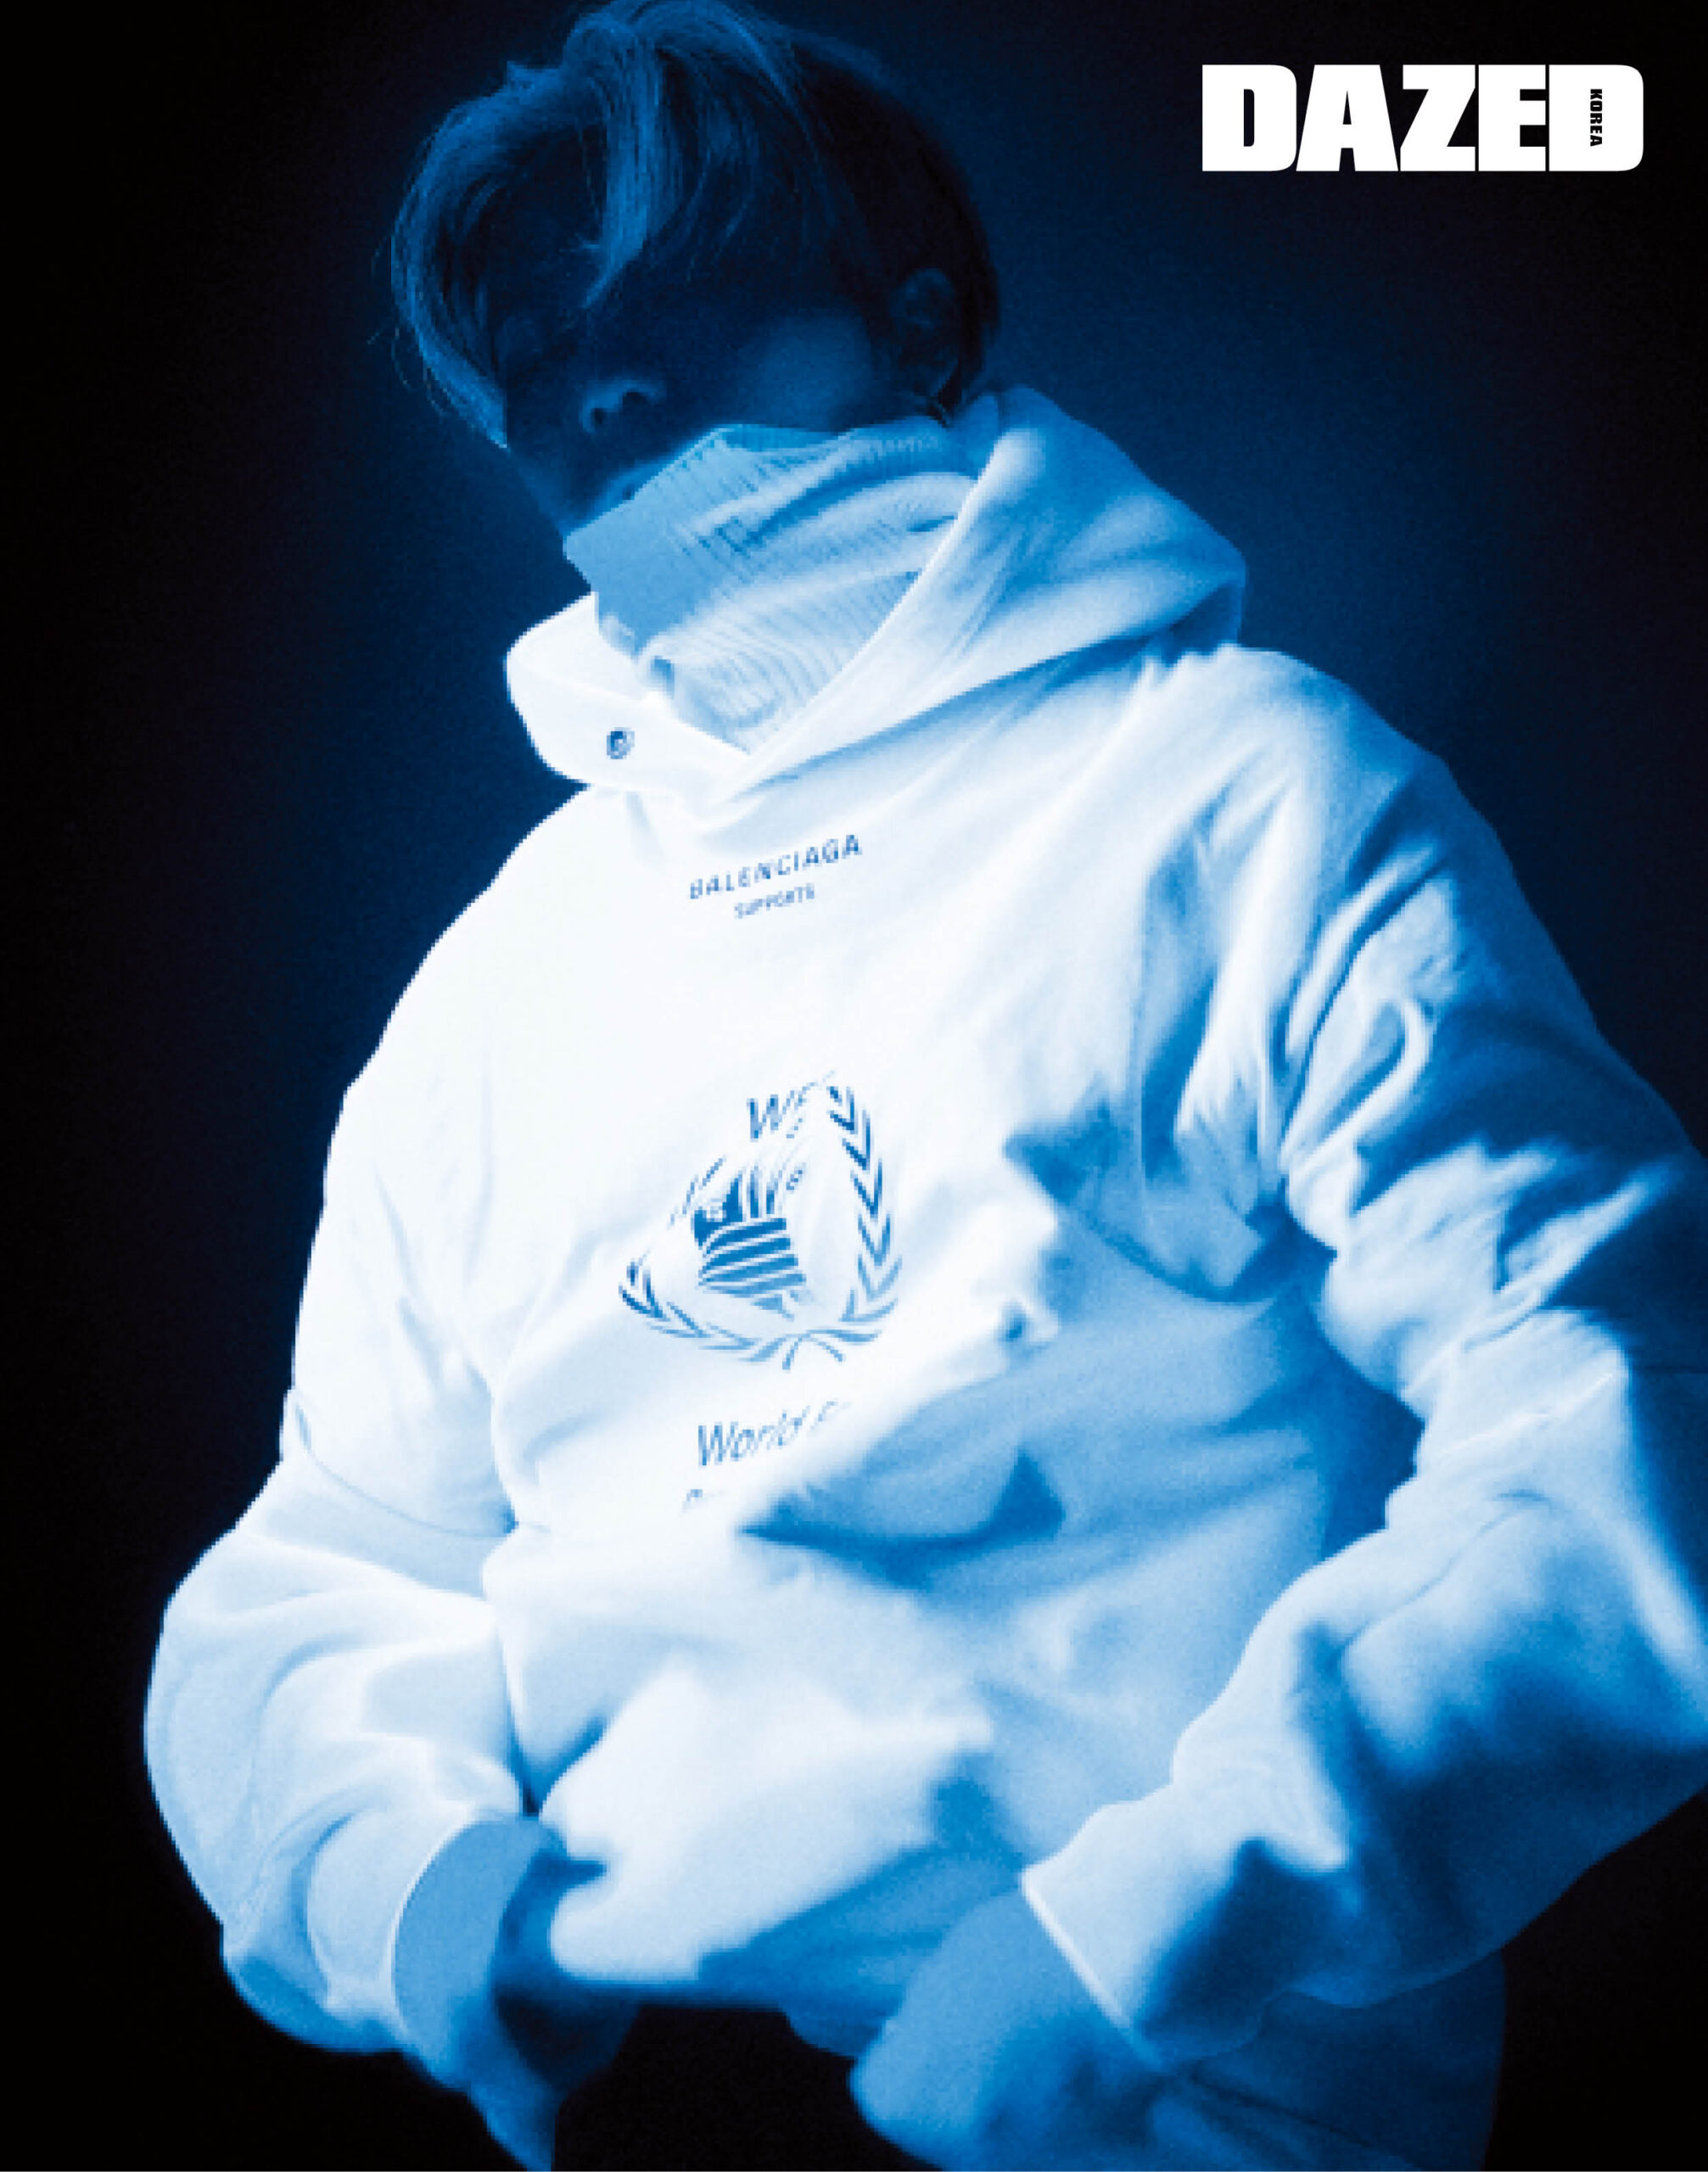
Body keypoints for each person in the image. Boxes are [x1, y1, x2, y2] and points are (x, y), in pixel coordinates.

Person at [144, 3, 1708, 2167]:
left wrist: (1151, 1927)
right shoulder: (501, 980)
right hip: (607, 2096)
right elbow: (331, 1560)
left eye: (679, 289)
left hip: (1159, 2102)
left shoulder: (1251, 806)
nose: (602, 388)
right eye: (535, 349)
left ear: (918, 320)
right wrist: (405, 1885)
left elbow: (1620, 1424)